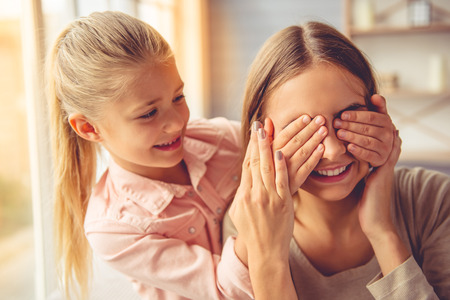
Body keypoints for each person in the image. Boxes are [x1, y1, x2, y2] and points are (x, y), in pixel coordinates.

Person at [47, 11, 400, 300]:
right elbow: (223, 289)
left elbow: (320, 153)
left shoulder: (225, 139)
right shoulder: (113, 228)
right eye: (148, 114)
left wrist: (370, 142)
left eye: (178, 97)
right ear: (89, 129)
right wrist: (258, 225)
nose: (176, 124)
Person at [225, 21, 450, 299]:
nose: (332, 151)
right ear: (262, 139)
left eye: (347, 118)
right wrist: (268, 259)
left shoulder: (434, 200)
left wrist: (382, 232)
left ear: (377, 113)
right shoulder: (246, 223)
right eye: (303, 129)